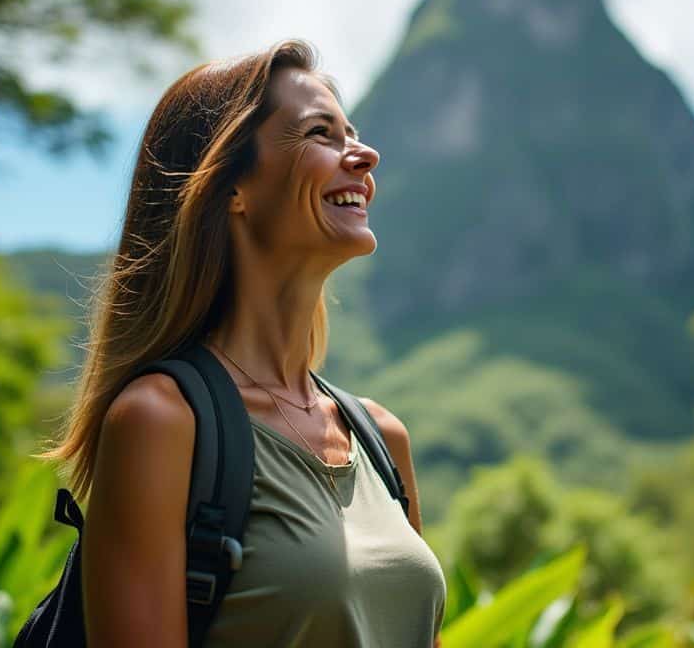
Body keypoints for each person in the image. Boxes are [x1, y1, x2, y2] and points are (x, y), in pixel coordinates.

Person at [45, 40, 447, 647]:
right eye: (321, 133)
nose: (365, 156)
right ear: (232, 188)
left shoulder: (380, 437)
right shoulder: (160, 422)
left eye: (353, 132)